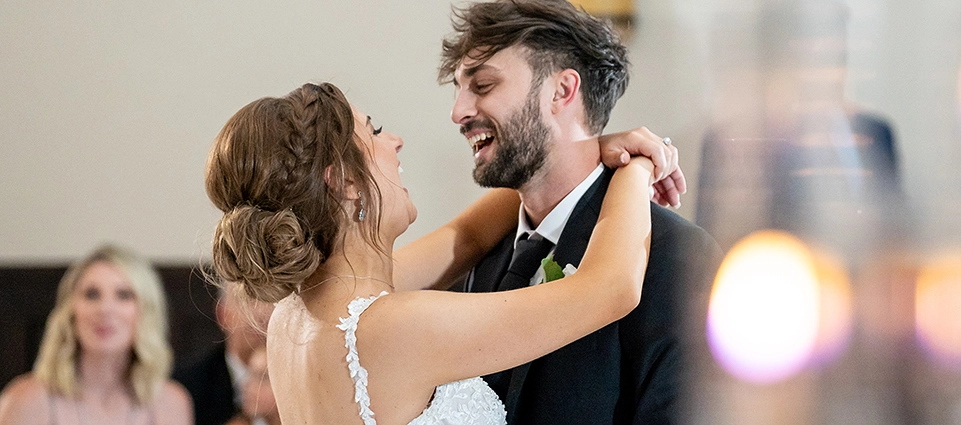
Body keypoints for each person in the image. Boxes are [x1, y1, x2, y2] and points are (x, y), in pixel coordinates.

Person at [204, 81, 677, 424]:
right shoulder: (391, 328)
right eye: (375, 132)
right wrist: (636, 165)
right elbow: (610, 288)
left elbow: (467, 236)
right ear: (344, 182)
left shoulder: (299, 312)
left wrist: (586, 153)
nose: (395, 141)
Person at [433, 0, 723, 423]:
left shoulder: (676, 259)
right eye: (459, 89)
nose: (458, 112)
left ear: (562, 91)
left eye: (483, 86)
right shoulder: (470, 260)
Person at [0, 244, 194, 425]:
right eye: (92, 294)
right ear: (70, 311)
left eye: (124, 295)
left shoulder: (172, 402)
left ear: (146, 311)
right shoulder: (26, 401)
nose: (105, 309)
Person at [173, 286, 274, 425]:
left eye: (273, 299)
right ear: (223, 315)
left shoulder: (305, 379)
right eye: (248, 300)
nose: (261, 313)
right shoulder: (185, 388)